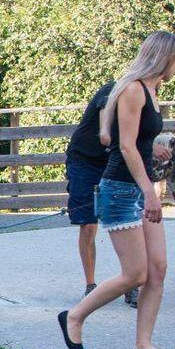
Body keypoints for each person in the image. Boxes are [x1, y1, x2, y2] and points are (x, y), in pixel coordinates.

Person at [58, 29, 175, 349]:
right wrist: (150, 193)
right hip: (121, 190)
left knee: (157, 269)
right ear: (165, 57)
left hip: (140, 189)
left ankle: (144, 344)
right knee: (135, 274)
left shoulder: (153, 90)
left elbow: (142, 143)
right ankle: (74, 316)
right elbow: (126, 147)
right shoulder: (133, 89)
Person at [62, 81, 113, 296]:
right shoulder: (113, 90)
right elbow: (105, 130)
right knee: (88, 224)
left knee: (124, 222)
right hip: (84, 159)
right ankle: (90, 284)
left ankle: (131, 281)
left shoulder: (146, 99)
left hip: (113, 158)